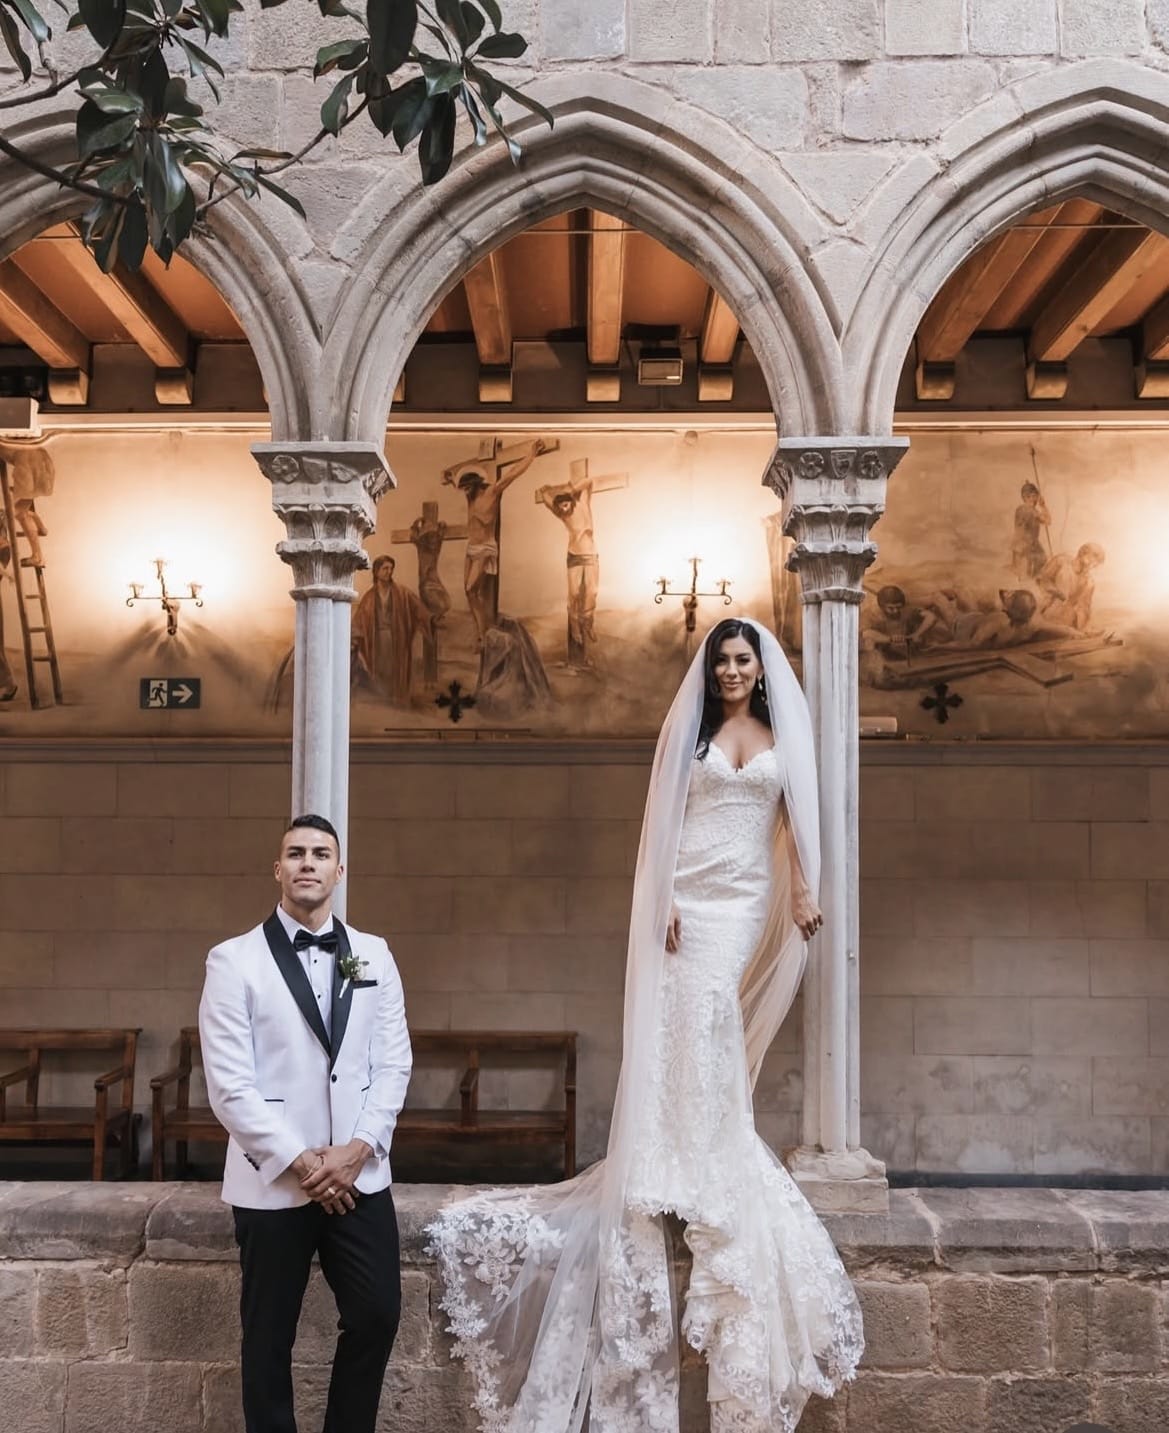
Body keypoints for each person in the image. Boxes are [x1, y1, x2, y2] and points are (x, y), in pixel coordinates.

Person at [429, 618, 862, 1433]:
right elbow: (657, 822)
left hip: (738, 901)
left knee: (709, 1016)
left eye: (743, 660)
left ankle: (706, 1150)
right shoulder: (689, 733)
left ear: (760, 669)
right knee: (679, 1017)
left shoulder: (777, 735)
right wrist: (657, 897)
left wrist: (802, 888)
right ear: (709, 670)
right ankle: (669, 1150)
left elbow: (799, 819)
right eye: (722, 660)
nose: (732, 670)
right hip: (684, 894)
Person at [198, 814, 412, 1433]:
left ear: (340, 870)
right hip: (273, 1181)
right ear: (278, 869)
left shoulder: (374, 954)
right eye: (296, 853)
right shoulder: (232, 961)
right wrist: (304, 1162)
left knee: (376, 1315)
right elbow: (230, 1086)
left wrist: (357, 1150)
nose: (308, 863)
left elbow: (393, 1062)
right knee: (267, 1336)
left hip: (358, 1175)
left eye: (321, 853)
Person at [351, 554, 432, 703]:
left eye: (391, 568)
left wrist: (428, 620)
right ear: (376, 571)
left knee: (395, 669)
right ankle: (382, 698)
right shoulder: (369, 597)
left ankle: (397, 697)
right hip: (377, 640)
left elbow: (419, 609)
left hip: (397, 637)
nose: (389, 571)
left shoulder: (402, 593)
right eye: (385, 568)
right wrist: (354, 638)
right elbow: (359, 621)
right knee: (380, 668)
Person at [1010, 481, 1051, 579]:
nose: (1036, 499)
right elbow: (1047, 521)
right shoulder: (1029, 510)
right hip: (1026, 545)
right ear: (1027, 497)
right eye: (1034, 496)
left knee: (1042, 560)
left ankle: (1033, 578)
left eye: (1036, 496)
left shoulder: (1022, 509)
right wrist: (1043, 506)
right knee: (1027, 571)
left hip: (1026, 544)